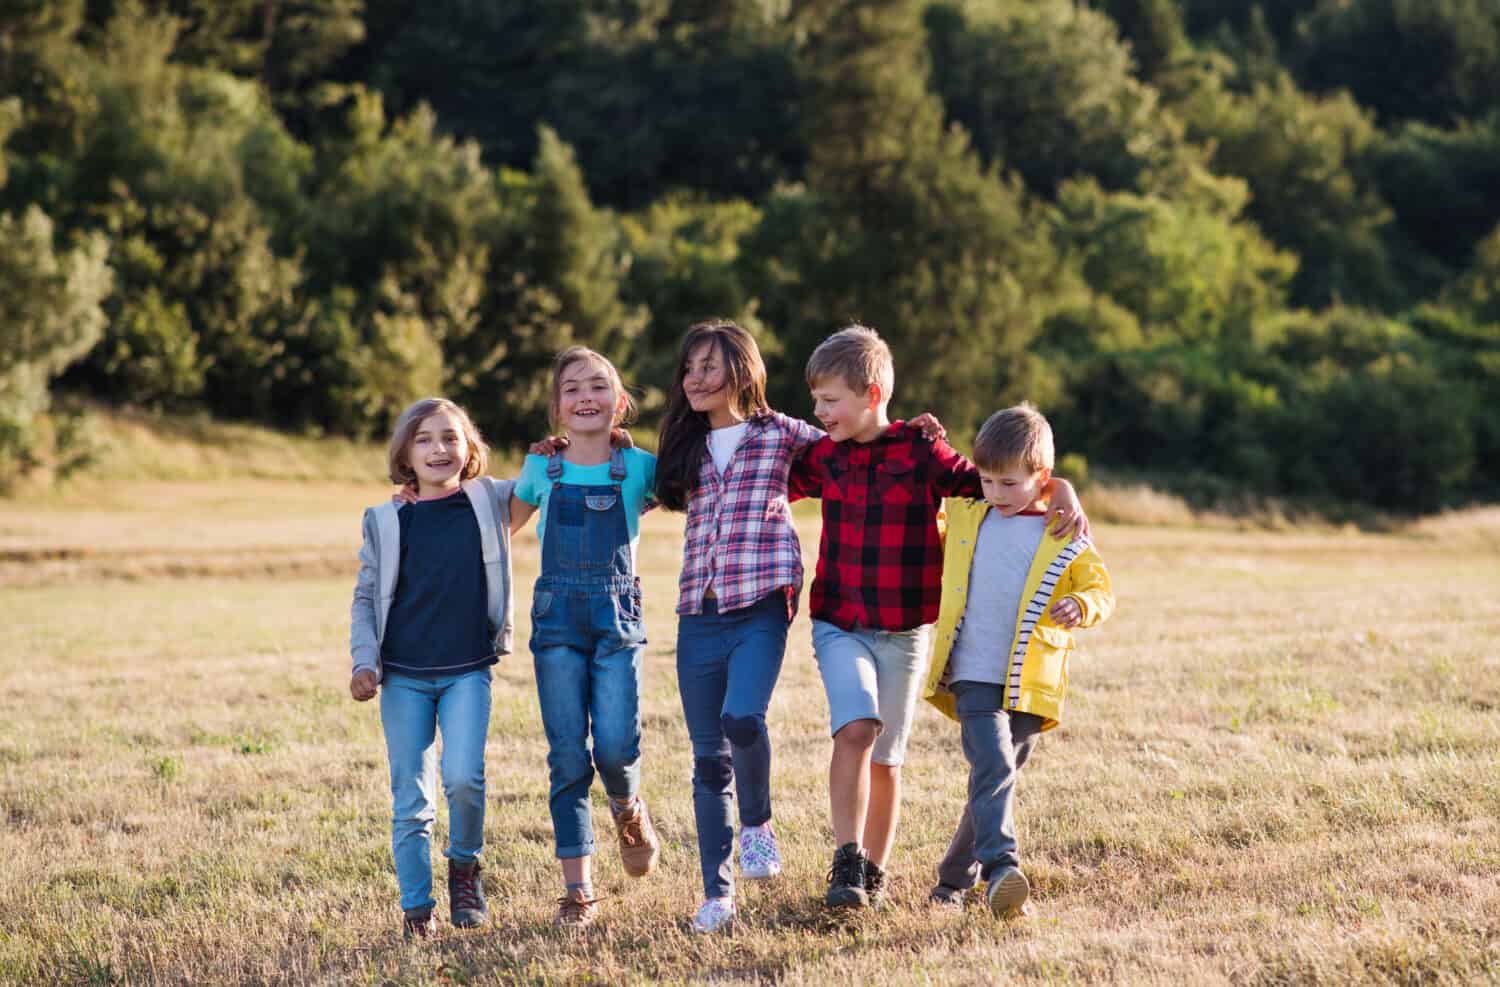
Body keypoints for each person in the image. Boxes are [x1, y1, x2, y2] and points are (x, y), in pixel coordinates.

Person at [786, 326, 1088, 910]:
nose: (819, 411)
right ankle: (845, 859)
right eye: (816, 401)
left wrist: (1064, 490)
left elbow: (1000, 483)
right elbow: (769, 473)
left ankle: (872, 873)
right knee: (857, 728)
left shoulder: (921, 451)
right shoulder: (823, 457)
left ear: (872, 394)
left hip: (906, 631)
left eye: (829, 400)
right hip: (838, 621)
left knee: (889, 756)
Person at [653, 319, 825, 933]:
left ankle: (757, 824)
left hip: (760, 604)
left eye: (708, 367)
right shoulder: (684, 448)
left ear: (741, 371)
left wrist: (914, 435)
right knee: (706, 760)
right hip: (698, 613)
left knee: (743, 718)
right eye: (689, 368)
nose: (694, 379)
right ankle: (717, 895)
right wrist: (559, 451)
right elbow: (617, 478)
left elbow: (853, 445)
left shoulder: (781, 435)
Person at [921, 403, 1114, 917]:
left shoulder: (1062, 531)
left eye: (1008, 484)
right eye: (986, 481)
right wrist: (924, 439)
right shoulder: (969, 517)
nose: (995, 494)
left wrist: (1083, 604)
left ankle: (949, 885)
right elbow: (929, 493)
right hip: (973, 674)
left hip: (1030, 681)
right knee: (994, 765)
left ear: (1041, 479)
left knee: (993, 780)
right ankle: (1002, 869)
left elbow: (1100, 587)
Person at [349, 397, 517, 939]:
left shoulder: (488, 502)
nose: (438, 448)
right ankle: (417, 911)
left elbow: (545, 482)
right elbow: (366, 594)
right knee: (411, 798)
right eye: (424, 439)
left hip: (469, 667)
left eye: (450, 437)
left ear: (470, 449)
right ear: (405, 453)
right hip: (403, 675)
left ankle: (465, 866)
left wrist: (565, 446)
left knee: (464, 778)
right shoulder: (386, 518)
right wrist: (363, 661)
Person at [510, 347, 661, 929]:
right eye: (571, 388)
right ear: (556, 409)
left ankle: (627, 805)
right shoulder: (540, 468)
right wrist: (415, 497)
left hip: (617, 617)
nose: (585, 397)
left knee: (617, 747)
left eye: (598, 386)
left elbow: (698, 485)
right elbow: (497, 522)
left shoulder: (641, 467)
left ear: (620, 404)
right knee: (568, 756)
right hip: (556, 622)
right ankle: (579, 892)